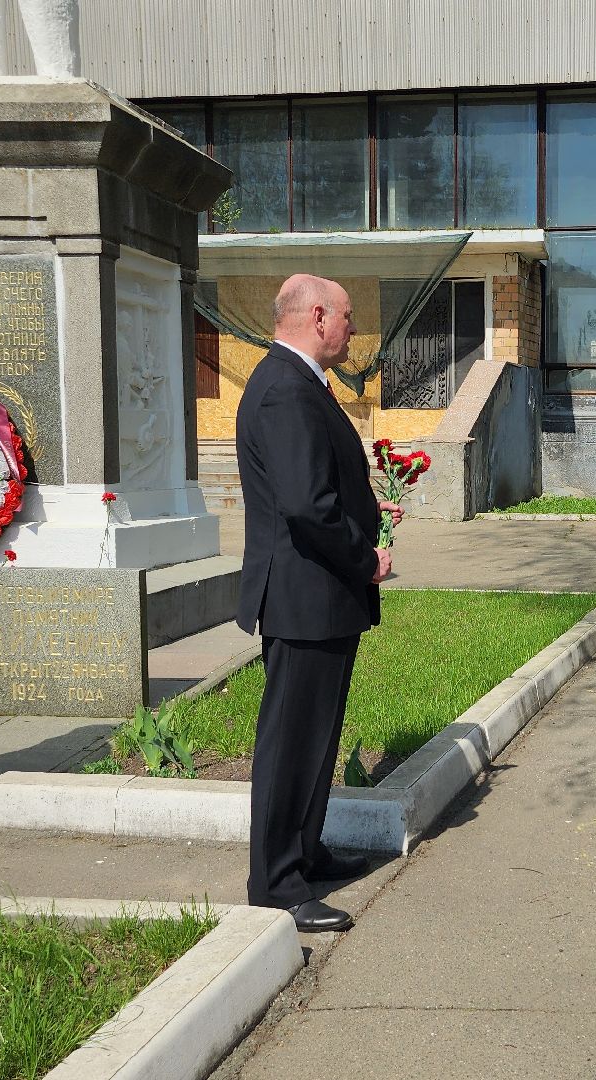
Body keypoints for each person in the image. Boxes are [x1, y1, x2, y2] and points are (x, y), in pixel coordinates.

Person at [236, 274, 402, 932]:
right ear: (317, 316)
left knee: (317, 737)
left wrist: (367, 508)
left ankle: (304, 852)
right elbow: (305, 507)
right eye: (348, 317)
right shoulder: (284, 388)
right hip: (304, 594)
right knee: (291, 743)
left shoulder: (298, 383)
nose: (353, 329)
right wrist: (366, 559)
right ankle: (276, 882)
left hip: (319, 595)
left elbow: (312, 484)